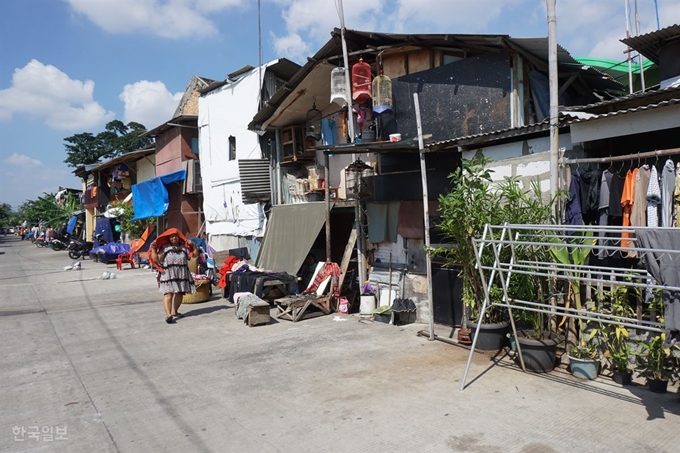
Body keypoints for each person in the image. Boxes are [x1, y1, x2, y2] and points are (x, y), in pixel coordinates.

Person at [150, 228, 197, 324]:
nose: (173, 238)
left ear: (179, 237)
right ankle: (168, 315)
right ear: (169, 239)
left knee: (179, 293)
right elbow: (157, 259)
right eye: (171, 237)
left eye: (175, 236)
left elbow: (195, 255)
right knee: (168, 293)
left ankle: (174, 311)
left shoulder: (184, 248)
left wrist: (194, 246)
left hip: (181, 274)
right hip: (168, 274)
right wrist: (153, 249)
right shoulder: (165, 248)